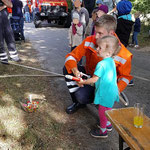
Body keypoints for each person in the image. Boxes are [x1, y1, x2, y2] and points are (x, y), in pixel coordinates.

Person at [63, 15, 133, 114]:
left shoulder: (124, 54)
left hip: (104, 84)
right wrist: (75, 70)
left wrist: (116, 89)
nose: (96, 36)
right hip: (90, 76)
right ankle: (78, 102)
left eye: (100, 33)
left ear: (111, 33)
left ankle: (98, 104)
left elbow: (125, 77)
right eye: (96, 32)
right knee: (67, 68)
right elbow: (72, 56)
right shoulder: (89, 40)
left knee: (82, 97)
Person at [78, 36, 120, 138]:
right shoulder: (111, 61)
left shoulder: (101, 64)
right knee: (108, 109)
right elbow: (113, 77)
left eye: (100, 48)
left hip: (104, 93)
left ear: (109, 52)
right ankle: (108, 124)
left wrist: (83, 81)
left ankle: (103, 131)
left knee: (102, 111)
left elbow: (94, 79)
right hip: (112, 91)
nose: (97, 49)